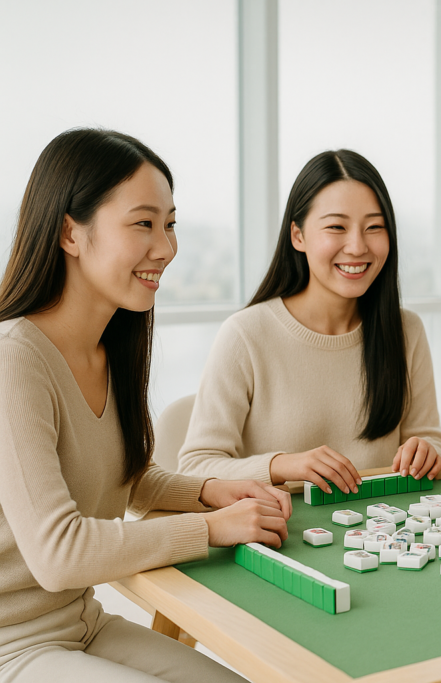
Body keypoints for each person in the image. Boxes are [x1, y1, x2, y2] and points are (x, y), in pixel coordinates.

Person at [0, 128, 292, 682]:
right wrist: (212, 529)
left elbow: (120, 476)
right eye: (143, 223)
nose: (166, 247)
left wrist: (207, 491)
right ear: (69, 232)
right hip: (11, 647)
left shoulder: (107, 347)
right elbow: (58, 553)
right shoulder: (14, 358)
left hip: (80, 622)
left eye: (170, 224)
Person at [178, 149, 441, 493]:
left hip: (382, 524)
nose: (357, 246)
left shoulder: (406, 330)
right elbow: (195, 467)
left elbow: (431, 442)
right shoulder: (245, 334)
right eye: (336, 227)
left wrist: (426, 452)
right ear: (298, 236)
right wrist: (283, 465)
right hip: (281, 524)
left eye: (374, 227)